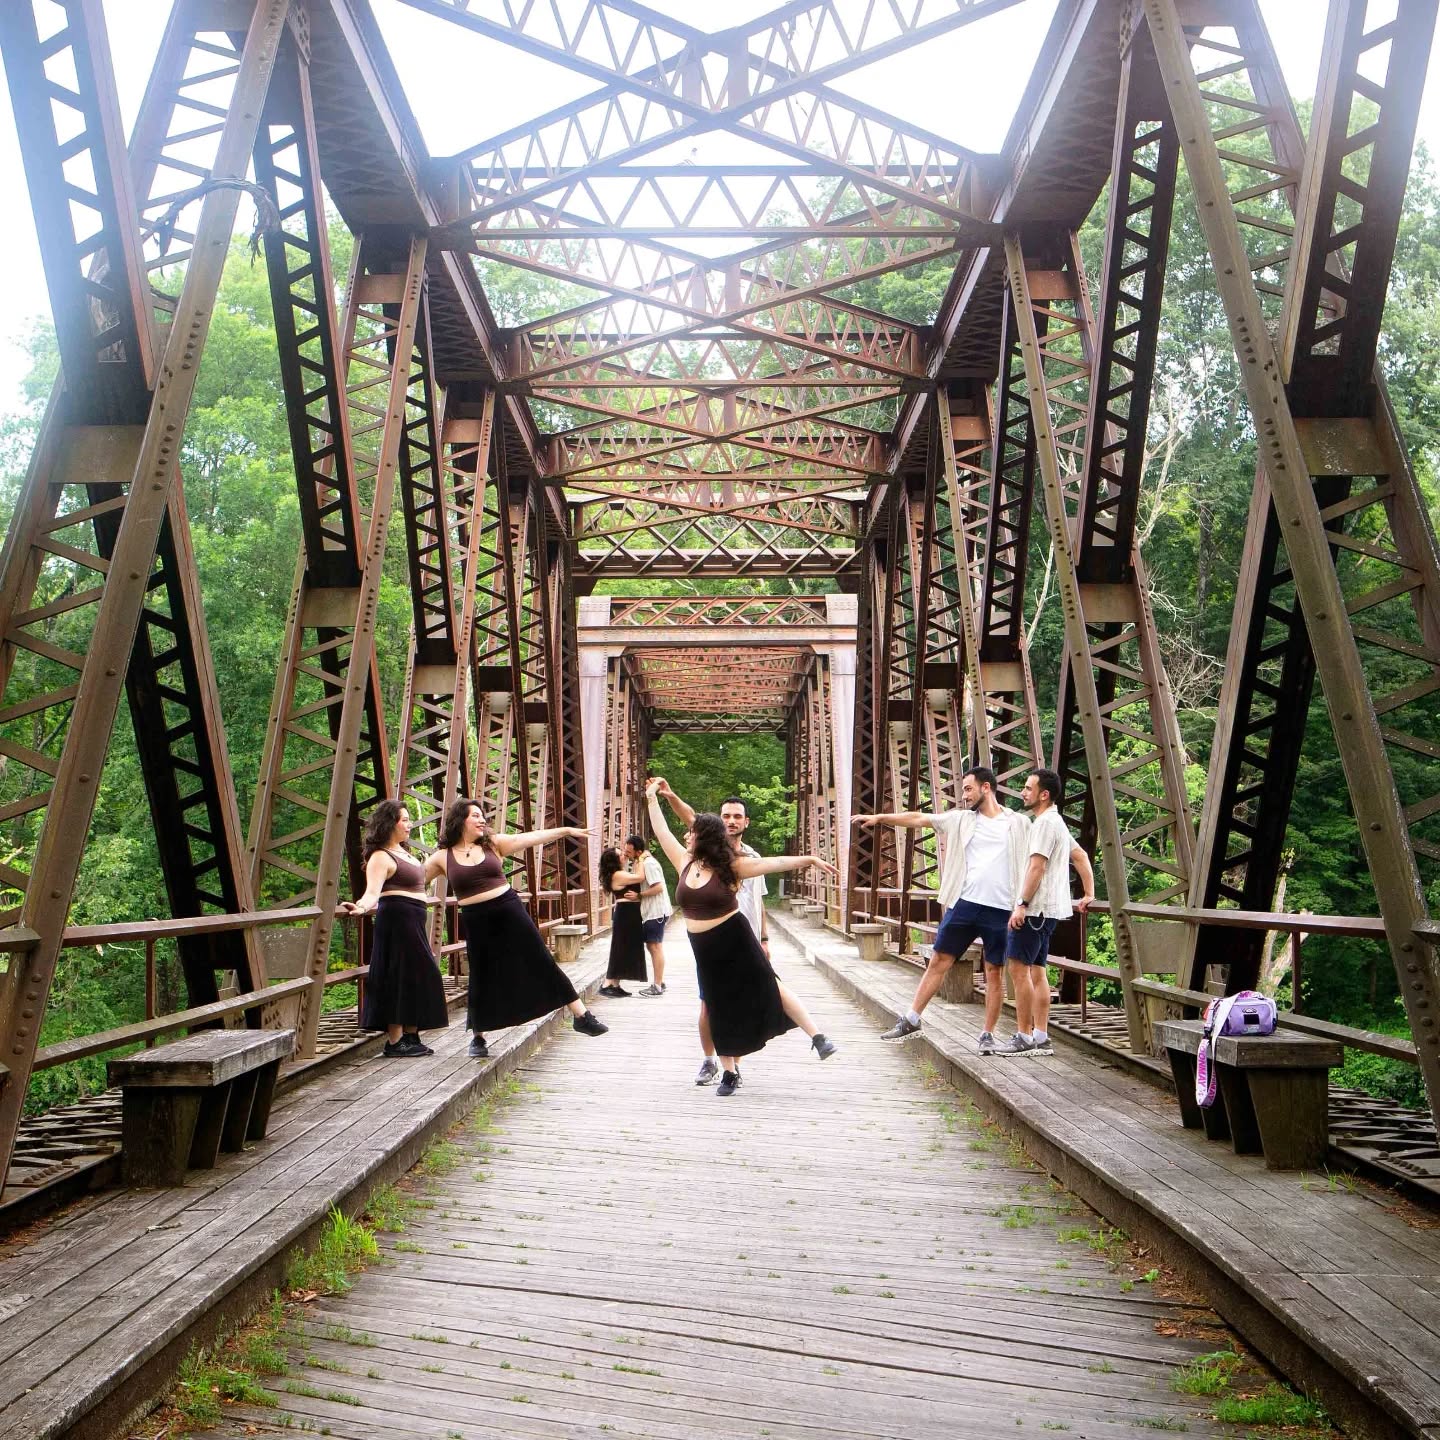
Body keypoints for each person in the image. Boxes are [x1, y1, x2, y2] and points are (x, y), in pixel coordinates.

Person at [645, 777, 839, 1097]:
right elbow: (661, 830)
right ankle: (728, 1072)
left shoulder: (733, 868)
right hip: (705, 949)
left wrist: (809, 860)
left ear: (704, 839)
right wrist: (653, 798)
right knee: (716, 1005)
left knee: (770, 984)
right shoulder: (684, 861)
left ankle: (818, 1037)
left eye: (692, 833)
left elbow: (774, 863)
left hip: (735, 938)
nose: (686, 835)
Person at [853, 764, 1031, 1055]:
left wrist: (1028, 903)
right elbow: (919, 818)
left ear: (986, 788)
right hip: (965, 903)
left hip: (1001, 909)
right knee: (938, 960)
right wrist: (881, 818)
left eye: (969, 789)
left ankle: (987, 1035)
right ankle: (911, 1020)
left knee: (994, 972)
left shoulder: (1018, 823)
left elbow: (1040, 857)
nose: (964, 795)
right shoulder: (960, 819)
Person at [424, 799, 607, 1058]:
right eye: (475, 815)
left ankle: (582, 1016)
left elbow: (531, 837)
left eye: (482, 815)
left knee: (541, 959)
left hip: (509, 910)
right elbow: (412, 881)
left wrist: (565, 830)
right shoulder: (442, 857)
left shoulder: (493, 843)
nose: (482, 820)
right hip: (476, 919)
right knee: (481, 974)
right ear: (460, 819)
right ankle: (478, 1036)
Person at [652, 782, 767, 1084]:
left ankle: (734, 1066)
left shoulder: (752, 858)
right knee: (708, 1003)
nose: (731, 821)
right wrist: (671, 797)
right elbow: (689, 819)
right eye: (726, 815)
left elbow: (759, 902)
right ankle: (708, 1060)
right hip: (713, 941)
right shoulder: (706, 853)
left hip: (746, 940)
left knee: (740, 1004)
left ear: (746, 822)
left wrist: (764, 938)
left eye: (737, 816)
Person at [342, 799, 449, 1058]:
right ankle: (395, 1040)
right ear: (390, 823)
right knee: (397, 976)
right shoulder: (381, 856)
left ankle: (411, 1035)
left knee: (418, 974)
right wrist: (361, 907)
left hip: (413, 920)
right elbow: (372, 892)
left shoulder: (405, 853)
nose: (409, 825)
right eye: (404, 820)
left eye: (409, 820)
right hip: (397, 921)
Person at [1006, 767, 1095, 1056]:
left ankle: (1024, 1036)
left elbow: (1037, 867)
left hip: (1035, 910)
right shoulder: (1057, 821)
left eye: (1028, 788)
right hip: (1050, 912)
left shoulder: (1044, 824)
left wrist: (1022, 904)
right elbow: (1080, 855)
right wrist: (1089, 892)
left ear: (1043, 795)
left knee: (1019, 970)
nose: (1023, 792)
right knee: (1038, 971)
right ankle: (1041, 1036)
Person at [597, 846, 648, 997]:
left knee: (623, 947)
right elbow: (640, 877)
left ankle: (615, 984)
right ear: (614, 860)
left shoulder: (618, 874)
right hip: (626, 914)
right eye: (620, 855)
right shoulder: (618, 875)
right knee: (620, 948)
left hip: (629, 913)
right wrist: (641, 858)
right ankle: (607, 984)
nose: (624, 855)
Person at [627, 833, 671, 997]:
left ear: (638, 852)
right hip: (651, 912)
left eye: (629, 852)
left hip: (656, 911)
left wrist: (639, 896)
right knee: (652, 946)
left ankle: (657, 986)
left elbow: (658, 887)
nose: (626, 854)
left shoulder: (648, 863)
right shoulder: (642, 862)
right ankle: (660, 981)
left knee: (655, 946)